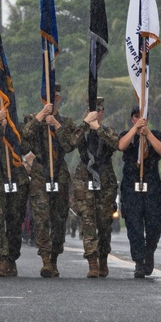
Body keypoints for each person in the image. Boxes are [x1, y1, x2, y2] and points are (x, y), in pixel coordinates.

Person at [22, 89, 78, 277]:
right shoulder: (32, 119)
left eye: (54, 98)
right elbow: (24, 139)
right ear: (42, 99)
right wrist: (40, 118)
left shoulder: (66, 122)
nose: (52, 101)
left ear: (59, 98)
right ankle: (45, 259)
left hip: (60, 172)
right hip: (40, 172)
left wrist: (56, 125)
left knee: (59, 219)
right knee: (41, 218)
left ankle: (54, 257)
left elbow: (70, 145)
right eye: (48, 98)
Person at [65, 98, 120, 278]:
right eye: (91, 109)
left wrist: (97, 128)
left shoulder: (107, 130)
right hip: (84, 176)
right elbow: (71, 142)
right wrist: (85, 124)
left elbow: (116, 144)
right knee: (87, 220)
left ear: (102, 112)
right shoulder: (81, 130)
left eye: (98, 109)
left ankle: (103, 257)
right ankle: (92, 262)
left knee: (104, 223)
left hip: (104, 177)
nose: (95, 111)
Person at [117, 106, 161, 277]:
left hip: (151, 186)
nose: (139, 119)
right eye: (135, 116)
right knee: (134, 227)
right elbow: (121, 146)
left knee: (154, 224)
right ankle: (139, 262)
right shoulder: (128, 135)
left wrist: (147, 133)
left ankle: (149, 251)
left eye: (142, 116)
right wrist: (135, 130)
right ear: (132, 119)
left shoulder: (157, 135)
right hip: (131, 188)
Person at [0, 104, 30, 277]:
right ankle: (1, 259)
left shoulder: (18, 128)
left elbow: (26, 146)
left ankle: (12, 258)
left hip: (17, 175)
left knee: (16, 219)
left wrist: (12, 130)